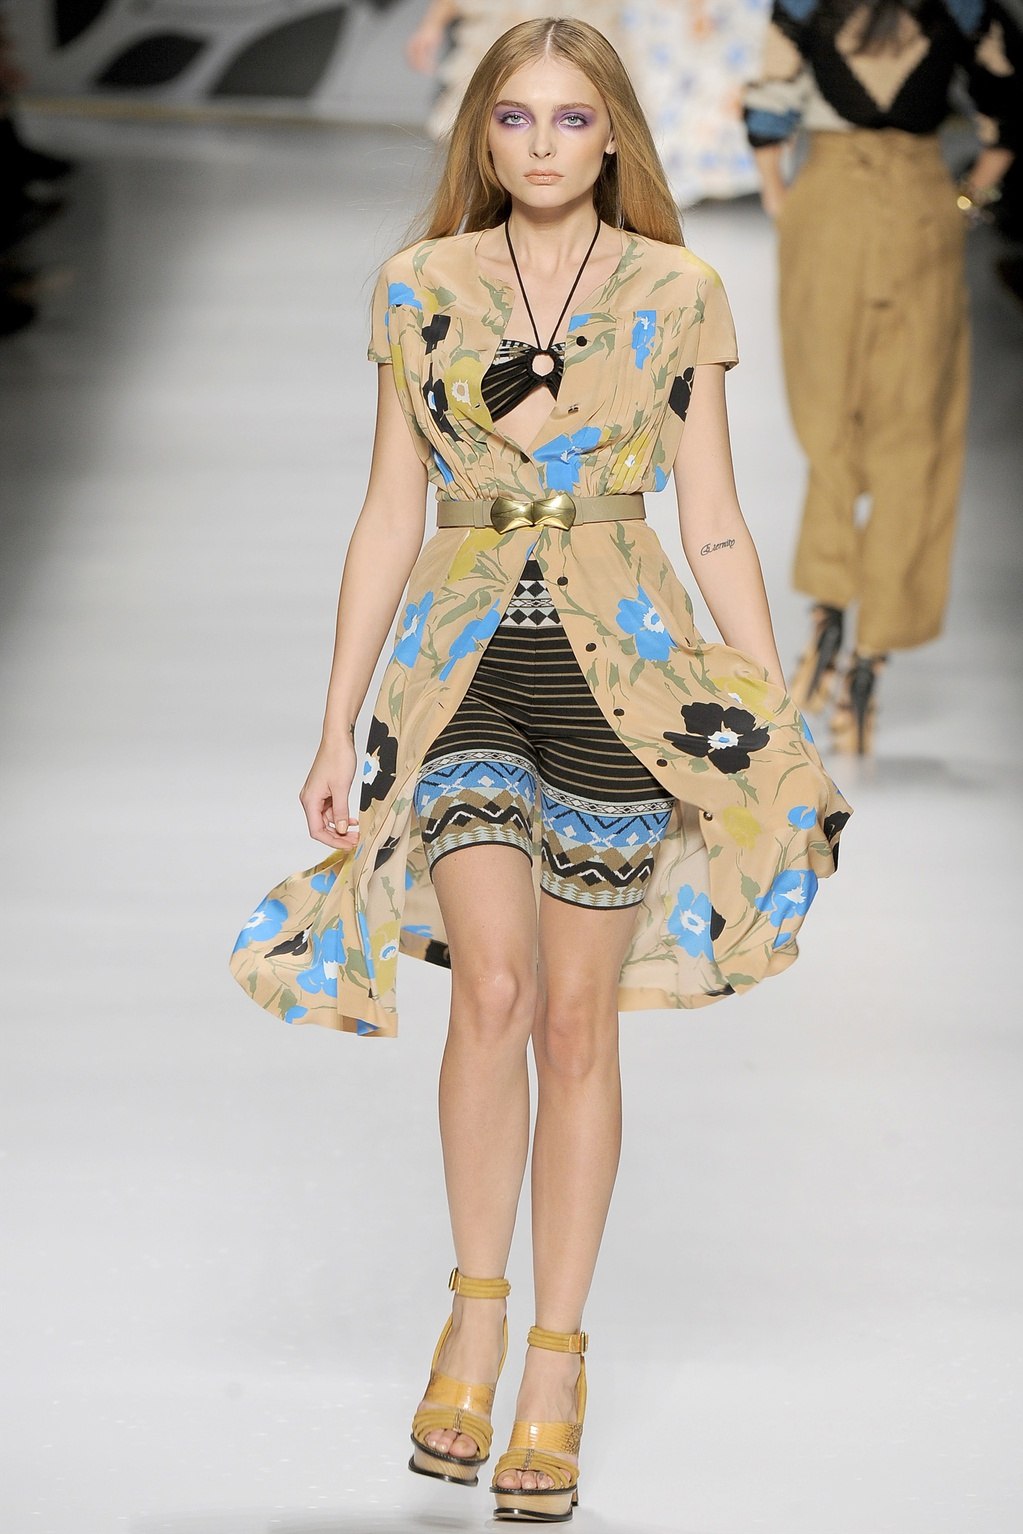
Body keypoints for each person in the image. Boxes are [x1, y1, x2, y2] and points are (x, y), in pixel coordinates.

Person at [231, 17, 850, 1522]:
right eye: (514, 120)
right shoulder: (418, 287)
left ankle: (556, 1361)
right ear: (481, 136)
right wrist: (333, 721)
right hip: (457, 672)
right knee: (490, 992)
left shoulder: (677, 292)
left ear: (614, 135)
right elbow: (390, 512)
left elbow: (711, 515)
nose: (543, 145)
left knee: (575, 1024)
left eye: (572, 120)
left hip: (622, 674)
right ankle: (475, 1315)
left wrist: (763, 702)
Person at [743, 0, 1020, 753]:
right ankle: (871, 657)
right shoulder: (966, 7)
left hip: (826, 204)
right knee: (913, 433)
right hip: (920, 206)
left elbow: (768, 102)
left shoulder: (805, 4)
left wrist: (778, 196)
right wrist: (966, 197)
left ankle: (827, 612)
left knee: (827, 420)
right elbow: (1006, 110)